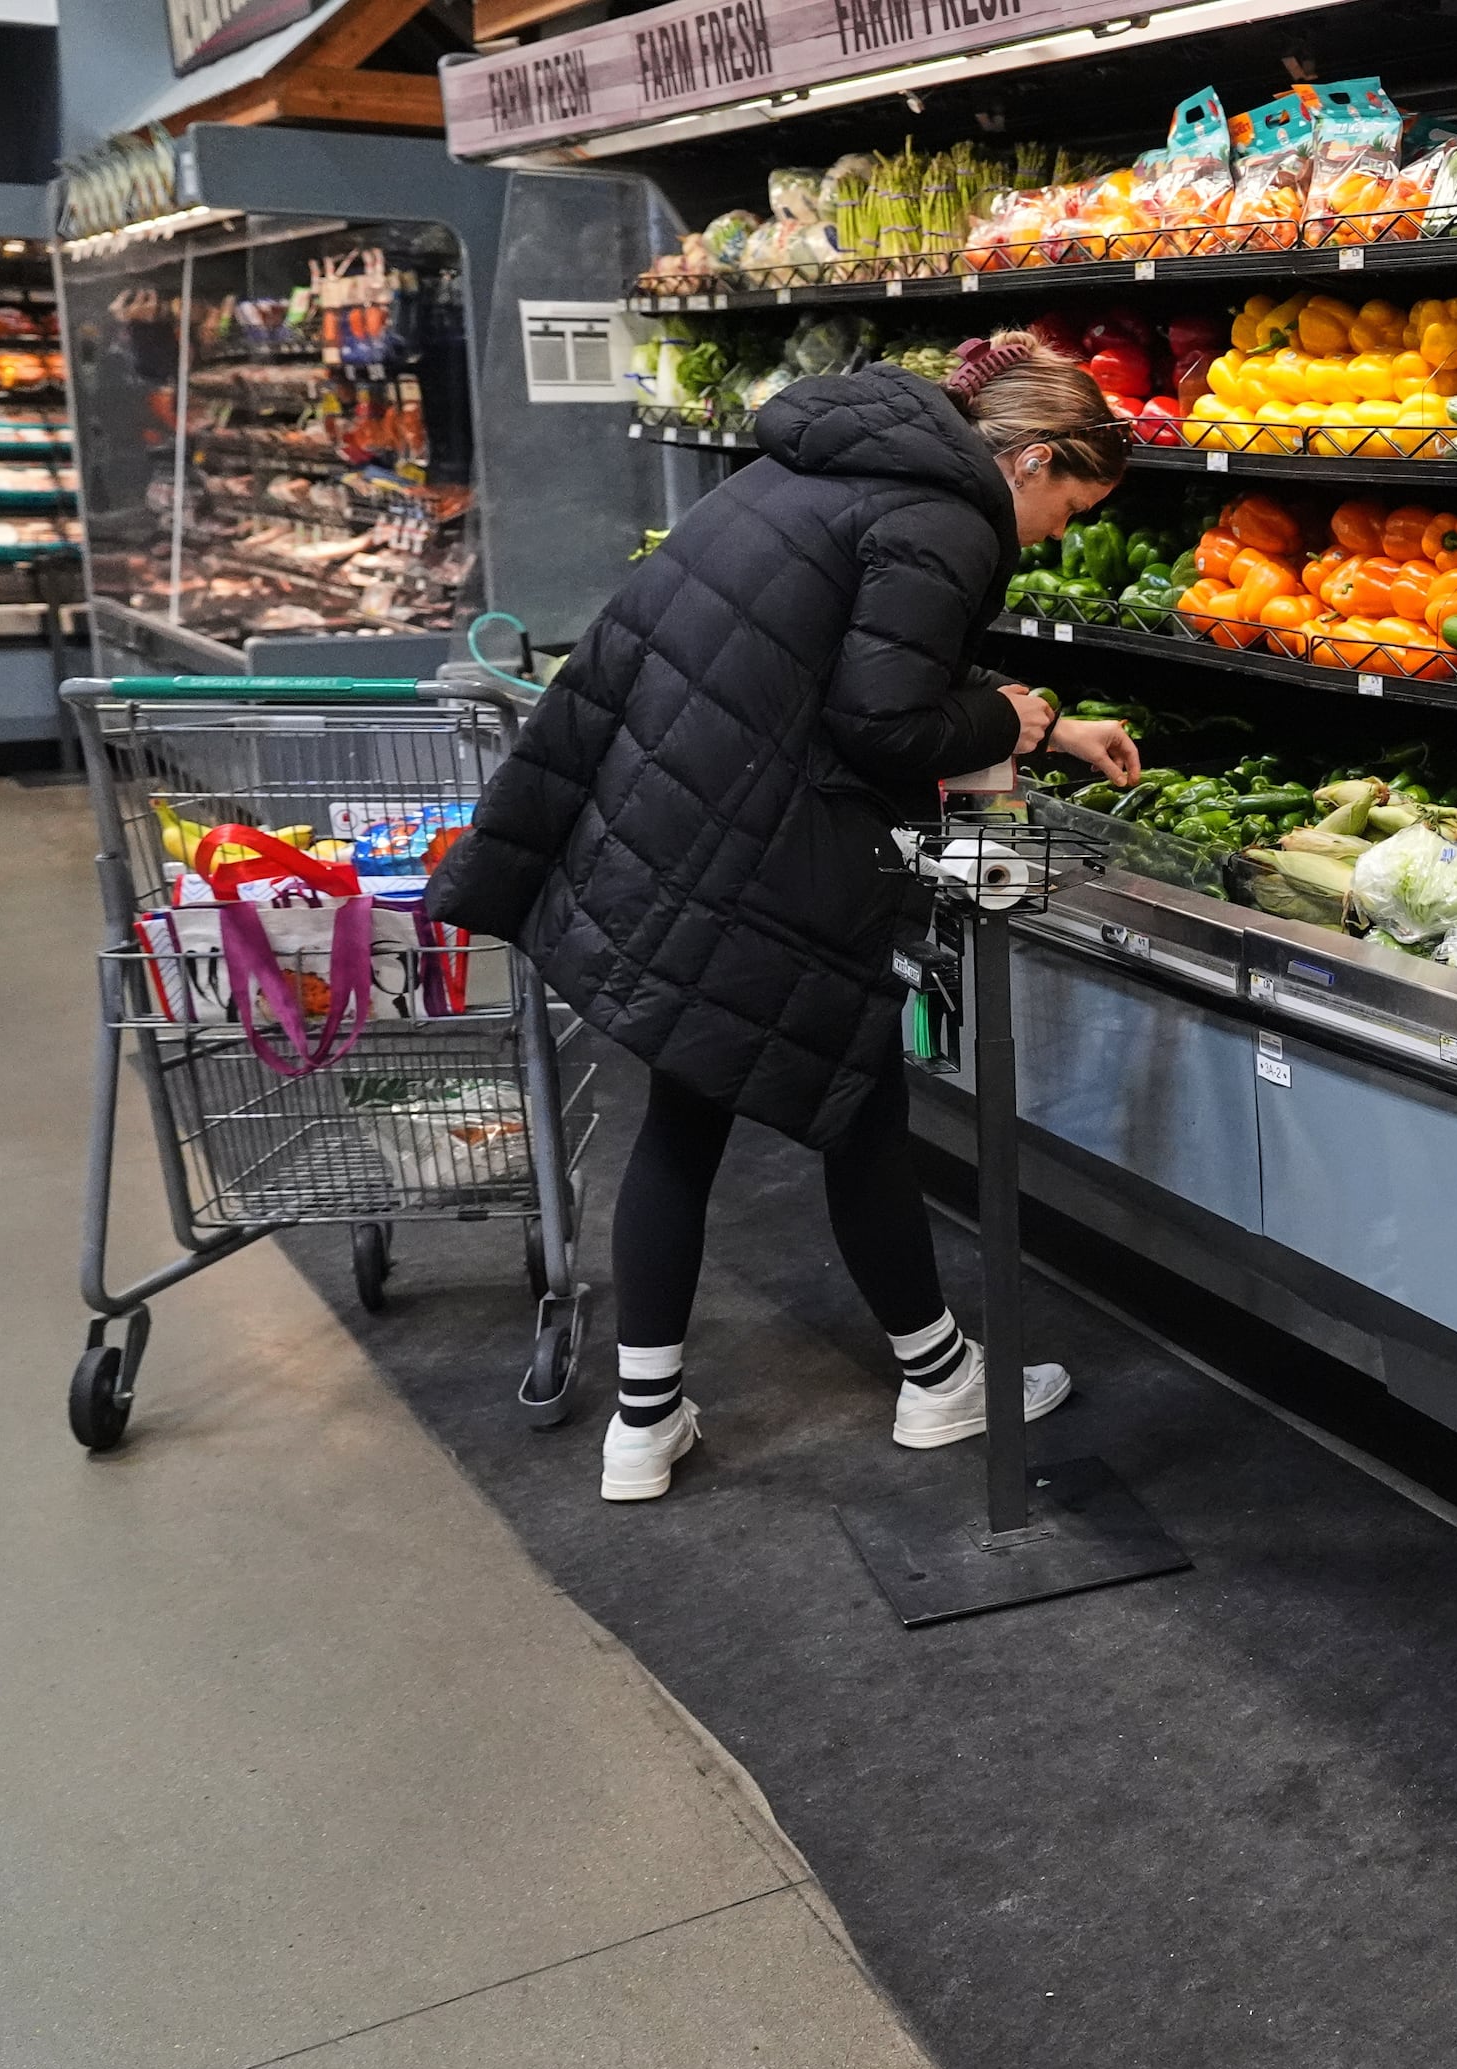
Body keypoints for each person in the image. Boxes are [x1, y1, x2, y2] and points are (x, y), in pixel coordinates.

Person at [430, 354, 1144, 1502]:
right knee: (852, 1093)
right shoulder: (948, 521)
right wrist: (1007, 717)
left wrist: (1037, 727)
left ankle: (646, 1425)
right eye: (1068, 513)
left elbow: (836, 654)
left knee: (697, 1102)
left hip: (665, 817)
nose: (1057, 538)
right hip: (762, 847)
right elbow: (881, 720)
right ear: (1033, 461)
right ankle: (938, 1381)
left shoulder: (811, 466)